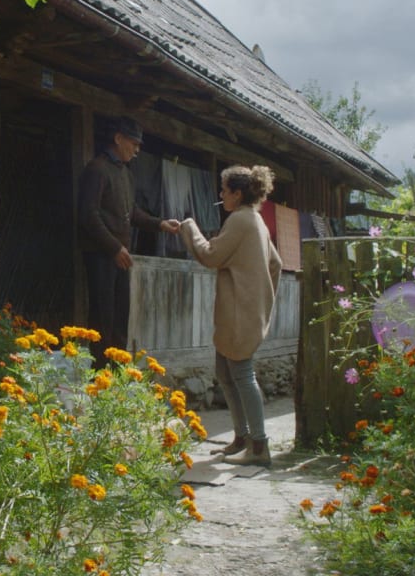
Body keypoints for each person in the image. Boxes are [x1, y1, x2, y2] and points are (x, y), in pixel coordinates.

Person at [177, 164, 282, 467]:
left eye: (224, 190)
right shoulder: (256, 220)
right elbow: (276, 264)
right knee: (225, 373)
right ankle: (242, 438)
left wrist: (189, 227)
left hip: (239, 311)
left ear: (237, 194)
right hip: (244, 309)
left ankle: (259, 446)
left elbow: (211, 255)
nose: (221, 195)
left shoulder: (240, 220)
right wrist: (262, 296)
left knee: (243, 375)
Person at [77, 116, 180, 365]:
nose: (137, 150)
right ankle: (100, 373)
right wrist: (114, 248)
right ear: (118, 138)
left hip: (120, 256)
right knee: (103, 316)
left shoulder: (126, 174)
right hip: (101, 254)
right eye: (134, 144)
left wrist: (160, 224)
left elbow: (132, 212)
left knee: (121, 316)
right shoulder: (97, 169)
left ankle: (118, 372)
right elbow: (88, 215)